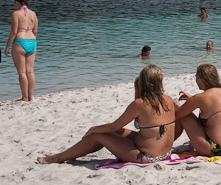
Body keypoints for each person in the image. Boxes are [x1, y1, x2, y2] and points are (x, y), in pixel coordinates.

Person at [37, 65, 175, 164]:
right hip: (164, 153)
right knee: (120, 132)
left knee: (98, 135)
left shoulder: (139, 103)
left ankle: (58, 157)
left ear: (143, 82)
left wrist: (93, 129)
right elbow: (140, 119)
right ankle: (73, 153)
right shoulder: (168, 99)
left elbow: (113, 127)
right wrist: (137, 92)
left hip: (147, 156)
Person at [174, 64, 221, 156]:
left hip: (218, 149)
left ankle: (165, 145)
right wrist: (191, 99)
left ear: (201, 79)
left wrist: (175, 105)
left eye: (196, 77)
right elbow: (212, 108)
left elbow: (177, 115)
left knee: (185, 116)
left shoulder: (200, 98)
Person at [5, 0, 38, 102]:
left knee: (22, 72)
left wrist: (8, 46)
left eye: (15, 3)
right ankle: (30, 96)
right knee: (30, 71)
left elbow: (14, 31)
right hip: (32, 41)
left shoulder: (16, 14)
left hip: (20, 41)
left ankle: (24, 97)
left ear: (17, 2)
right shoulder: (33, 14)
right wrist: (32, 40)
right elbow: (35, 31)